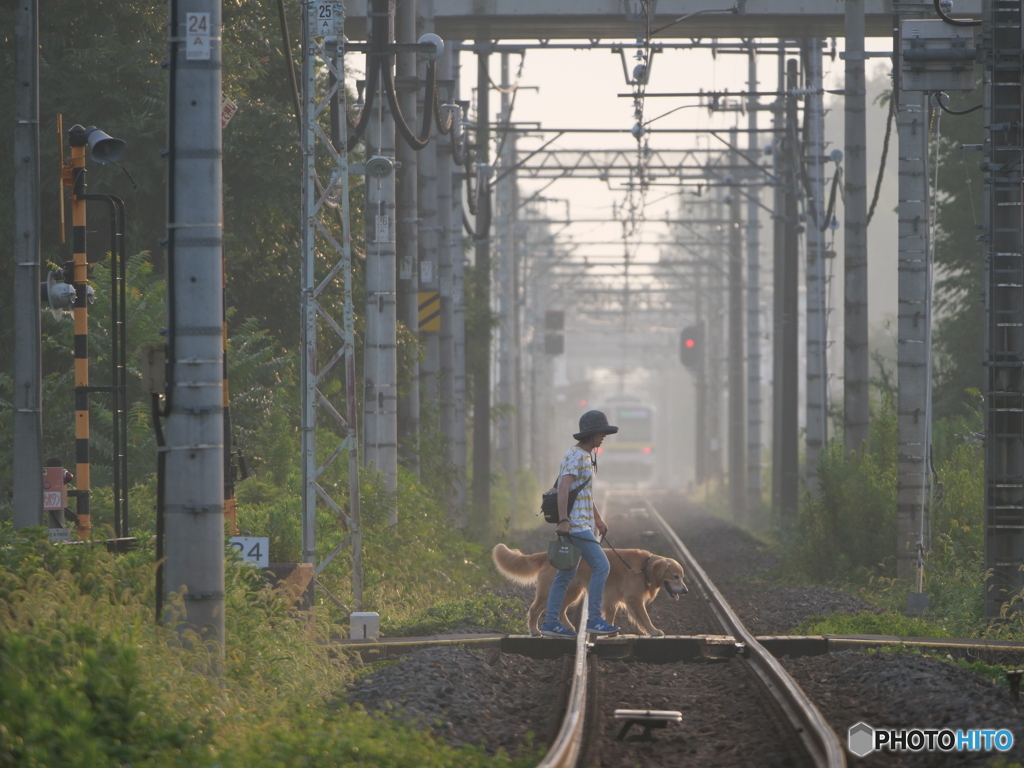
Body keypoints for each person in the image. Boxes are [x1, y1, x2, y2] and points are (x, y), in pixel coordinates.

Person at [540, 410, 621, 638]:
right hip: (575, 525)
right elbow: (564, 488)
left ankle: (550, 623)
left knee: (566, 574)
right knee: (602, 566)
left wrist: (597, 518)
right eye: (601, 433)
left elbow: (583, 492)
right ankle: (594, 619)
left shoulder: (586, 456)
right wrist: (564, 519)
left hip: (582, 523)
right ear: (592, 434)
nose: (604, 436)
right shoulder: (575, 456)